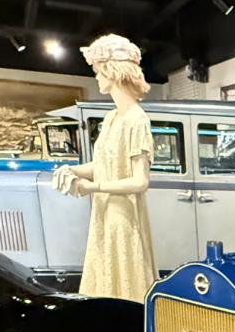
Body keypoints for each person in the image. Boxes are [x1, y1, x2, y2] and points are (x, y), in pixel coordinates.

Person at [53, 34, 157, 301]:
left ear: (112, 71)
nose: (97, 77)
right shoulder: (111, 118)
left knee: (124, 281)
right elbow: (103, 165)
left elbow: (140, 182)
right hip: (104, 212)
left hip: (123, 215)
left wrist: (93, 187)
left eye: (99, 71)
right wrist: (73, 171)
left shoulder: (136, 120)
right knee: (104, 278)